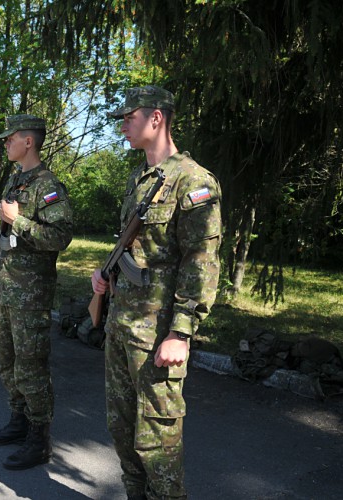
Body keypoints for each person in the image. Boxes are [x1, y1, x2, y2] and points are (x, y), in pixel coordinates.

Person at [90, 85, 222, 499]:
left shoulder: (193, 180)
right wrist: (104, 276)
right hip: (121, 325)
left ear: (156, 118)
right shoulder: (139, 180)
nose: (123, 127)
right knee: (122, 429)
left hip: (158, 334)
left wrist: (181, 332)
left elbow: (201, 260)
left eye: (129, 118)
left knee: (158, 442)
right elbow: (136, 249)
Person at [0, 114, 73, 470]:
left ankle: (39, 439)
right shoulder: (15, 183)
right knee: (7, 363)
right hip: (8, 289)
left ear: (28, 142)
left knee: (31, 366)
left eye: (10, 139)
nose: (6, 144)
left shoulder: (47, 185)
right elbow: (6, 236)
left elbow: (61, 237)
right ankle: (18, 421)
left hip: (31, 296)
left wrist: (17, 219)